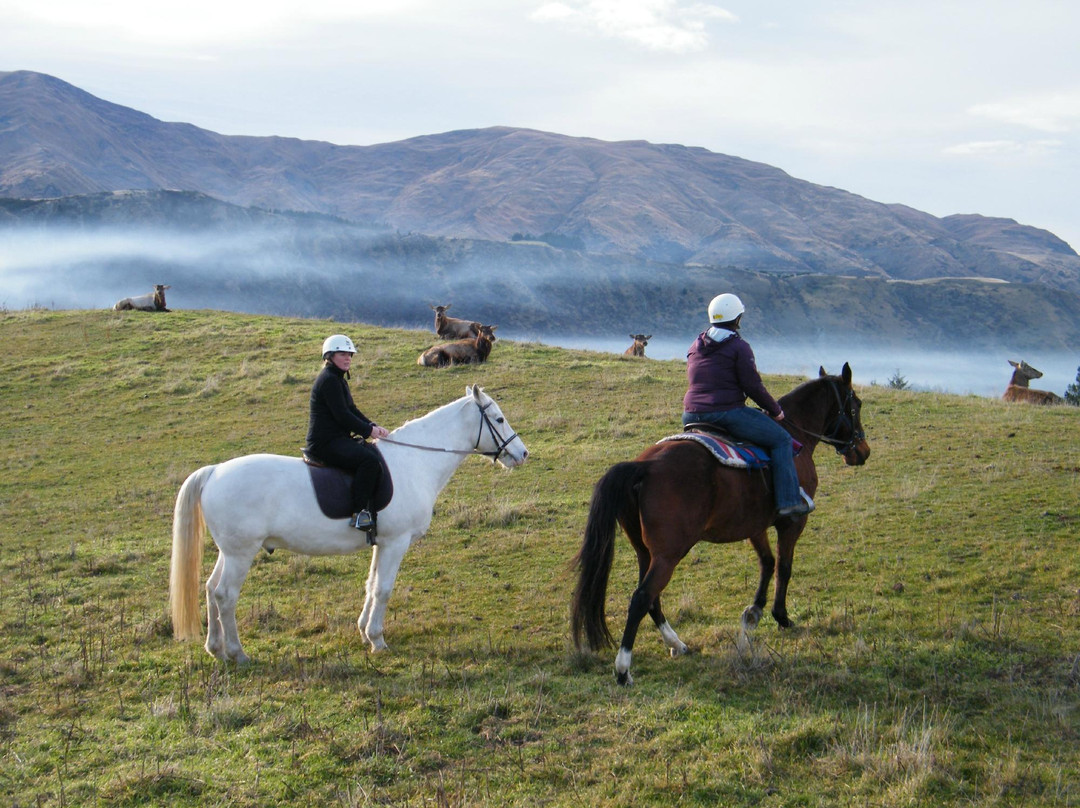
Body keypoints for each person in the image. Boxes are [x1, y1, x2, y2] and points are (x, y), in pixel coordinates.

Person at [682, 293, 814, 518]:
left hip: (691, 414)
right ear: (737, 318)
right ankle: (789, 502)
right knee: (781, 440)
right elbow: (753, 386)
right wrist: (776, 411)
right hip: (725, 413)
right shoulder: (739, 347)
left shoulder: (696, 344)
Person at [306, 334, 390, 532]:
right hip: (325, 443)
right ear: (329, 356)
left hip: (337, 439)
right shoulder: (329, 381)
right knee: (369, 462)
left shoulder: (338, 379)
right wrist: (368, 430)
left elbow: (351, 409)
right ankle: (359, 513)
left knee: (372, 454)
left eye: (350, 354)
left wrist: (372, 425)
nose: (348, 358)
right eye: (342, 354)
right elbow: (342, 416)